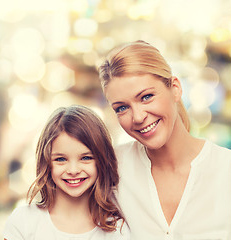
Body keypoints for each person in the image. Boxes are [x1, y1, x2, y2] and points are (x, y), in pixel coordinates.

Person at [98, 40, 231, 239]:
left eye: (146, 97)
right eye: (122, 108)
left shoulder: (225, 169)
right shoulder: (111, 169)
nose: (138, 117)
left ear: (175, 88)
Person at [3, 105, 130, 240]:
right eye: (61, 159)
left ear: (102, 160)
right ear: (46, 162)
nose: (73, 170)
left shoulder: (117, 229)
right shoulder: (24, 221)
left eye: (86, 158)